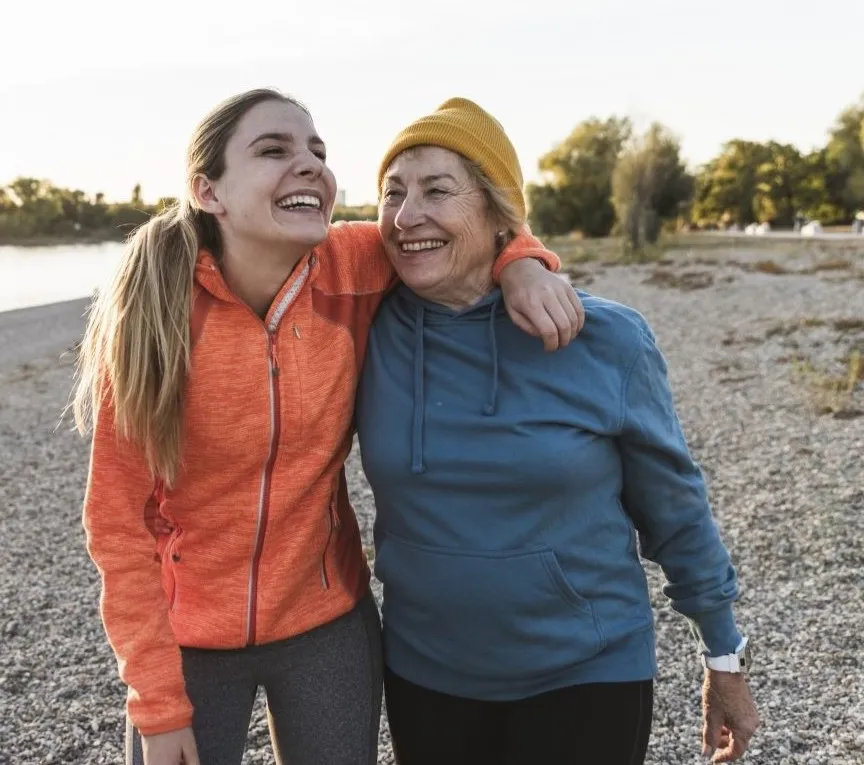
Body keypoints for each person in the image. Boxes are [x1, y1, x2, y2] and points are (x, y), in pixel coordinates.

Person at [73, 88, 584, 765]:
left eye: (317, 150)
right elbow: (117, 526)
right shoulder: (156, 319)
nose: (309, 164)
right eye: (274, 150)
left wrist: (522, 264)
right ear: (209, 191)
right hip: (186, 635)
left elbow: (461, 225)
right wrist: (157, 702)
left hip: (326, 623)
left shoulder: (355, 268)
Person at [356, 98, 760, 765]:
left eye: (436, 191)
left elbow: (676, 509)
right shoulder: (364, 329)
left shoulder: (605, 338)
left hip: (587, 672)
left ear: (496, 212)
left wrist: (723, 655)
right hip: (427, 674)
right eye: (391, 193)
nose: (406, 216)